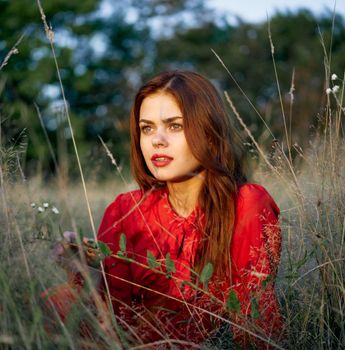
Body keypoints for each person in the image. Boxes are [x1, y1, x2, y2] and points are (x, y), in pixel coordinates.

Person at [42, 70, 283, 348]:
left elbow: (256, 318)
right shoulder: (126, 210)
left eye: (174, 126)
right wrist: (83, 269)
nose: (157, 140)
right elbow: (113, 314)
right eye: (147, 128)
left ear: (210, 134)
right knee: (55, 300)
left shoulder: (246, 205)